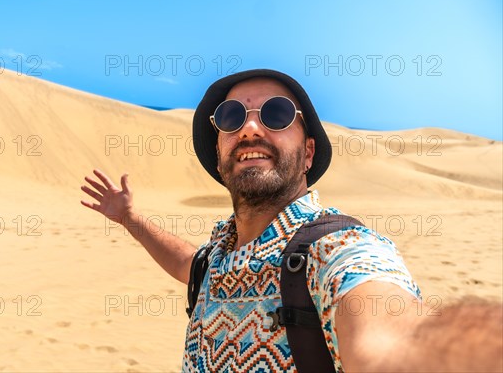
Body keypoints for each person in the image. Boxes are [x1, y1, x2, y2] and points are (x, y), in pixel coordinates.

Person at [81, 69, 502, 372]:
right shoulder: (217, 258)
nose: (248, 128)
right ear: (219, 151)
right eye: (231, 117)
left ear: (308, 154)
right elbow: (186, 263)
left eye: (277, 114)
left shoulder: (337, 250)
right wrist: (130, 218)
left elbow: (391, 344)